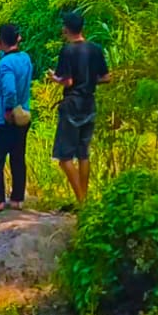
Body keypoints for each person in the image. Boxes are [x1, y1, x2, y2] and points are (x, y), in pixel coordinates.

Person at [50, 11, 111, 203]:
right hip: (89, 103)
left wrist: (54, 78)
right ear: (82, 27)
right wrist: (89, 81)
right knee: (83, 153)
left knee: (64, 157)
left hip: (72, 104)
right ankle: (83, 202)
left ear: (66, 29)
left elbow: (67, 81)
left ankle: (82, 200)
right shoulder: (95, 49)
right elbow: (106, 77)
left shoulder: (67, 51)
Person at [0, 23, 33, 213]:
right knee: (18, 157)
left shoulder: (4, 65)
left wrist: (8, 110)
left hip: (5, 119)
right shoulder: (25, 58)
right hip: (24, 115)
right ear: (18, 39)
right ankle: (17, 198)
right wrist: (0, 50)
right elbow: (14, 62)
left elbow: (9, 89)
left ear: (2, 40)